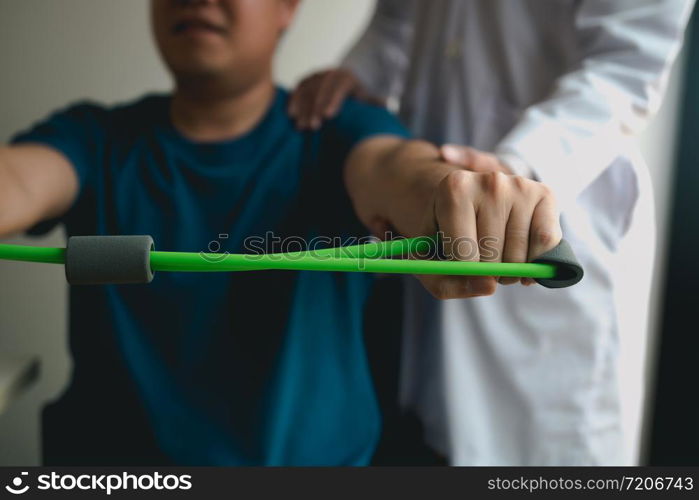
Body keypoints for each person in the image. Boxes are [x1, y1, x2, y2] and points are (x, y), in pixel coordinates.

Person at [0, 0, 562, 465]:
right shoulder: (92, 138)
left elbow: (400, 174)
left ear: (287, 8)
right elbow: (16, 181)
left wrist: (451, 194)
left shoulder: (339, 133)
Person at [290, 0, 695, 465]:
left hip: (556, 196)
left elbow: (627, 64)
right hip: (435, 187)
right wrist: (362, 74)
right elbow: (398, 15)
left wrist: (515, 169)